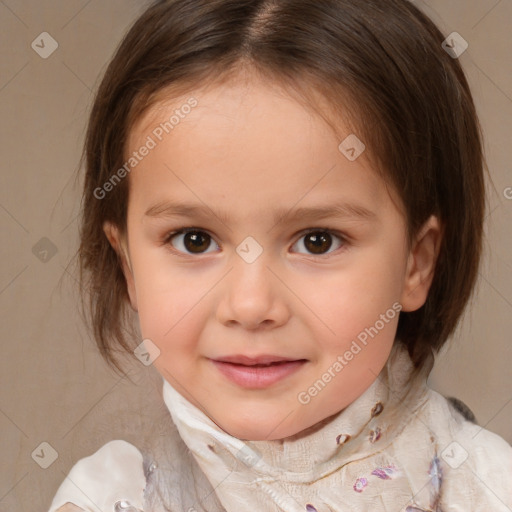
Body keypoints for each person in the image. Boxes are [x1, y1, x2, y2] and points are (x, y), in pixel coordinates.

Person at [47, 0, 512, 510]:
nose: (250, 305)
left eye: (317, 240)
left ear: (415, 263)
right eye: (194, 240)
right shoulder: (111, 499)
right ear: (127, 265)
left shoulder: (488, 488)